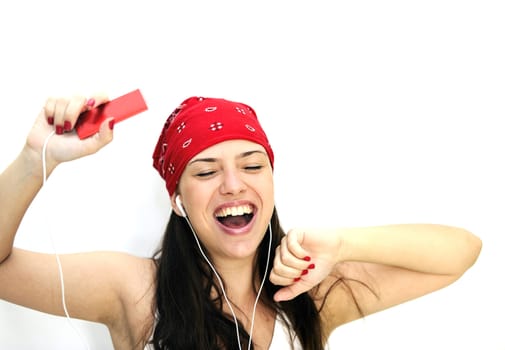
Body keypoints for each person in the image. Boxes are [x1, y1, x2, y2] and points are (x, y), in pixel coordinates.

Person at [0, 93, 482, 350]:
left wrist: (344, 243)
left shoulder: (308, 294)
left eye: (253, 166)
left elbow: (460, 252)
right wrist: (33, 159)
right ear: (178, 201)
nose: (233, 184)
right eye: (206, 172)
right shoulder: (133, 289)